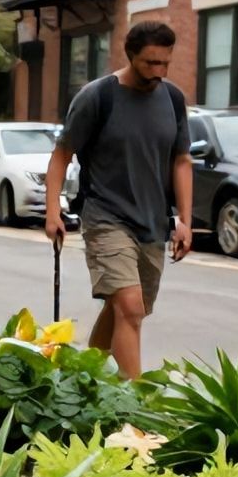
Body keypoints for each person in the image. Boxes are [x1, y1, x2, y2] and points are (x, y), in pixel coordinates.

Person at [44, 20, 193, 379]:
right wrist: (52, 212)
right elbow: (62, 154)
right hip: (106, 216)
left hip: (153, 221)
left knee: (124, 310)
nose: (159, 72)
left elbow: (181, 160)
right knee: (129, 307)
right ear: (130, 55)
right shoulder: (98, 97)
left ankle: (84, 376)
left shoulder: (173, 99)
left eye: (165, 63)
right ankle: (135, 400)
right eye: (150, 63)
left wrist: (185, 221)